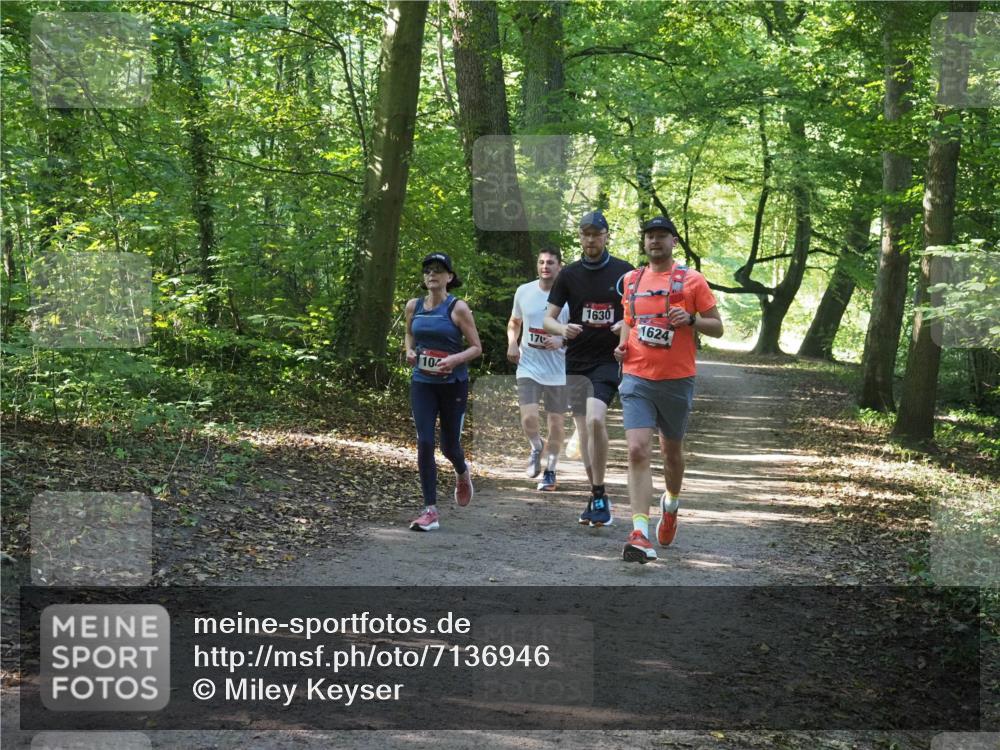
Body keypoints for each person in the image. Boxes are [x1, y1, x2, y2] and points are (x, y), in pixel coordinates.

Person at [614, 216, 723, 563]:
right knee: (636, 450)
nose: (655, 242)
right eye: (650, 237)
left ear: (673, 241)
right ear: (643, 243)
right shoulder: (632, 281)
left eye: (662, 236)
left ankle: (671, 503)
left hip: (677, 379)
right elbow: (630, 323)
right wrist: (621, 348)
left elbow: (717, 327)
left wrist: (692, 320)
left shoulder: (692, 281)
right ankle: (640, 532)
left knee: (671, 453)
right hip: (637, 377)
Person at [544, 210, 634, 527]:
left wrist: (626, 323)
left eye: (597, 234)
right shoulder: (568, 275)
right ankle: (597, 494)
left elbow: (639, 312)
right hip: (577, 361)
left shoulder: (625, 273)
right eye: (586, 234)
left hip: (609, 359)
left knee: (596, 419)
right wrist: (560, 329)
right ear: (580, 237)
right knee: (584, 432)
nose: (591, 239)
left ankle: (598, 494)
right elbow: (548, 318)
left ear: (607, 235)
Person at [404, 253, 482, 531]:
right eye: (427, 270)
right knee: (424, 441)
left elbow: (476, 347)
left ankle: (462, 472)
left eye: (438, 270)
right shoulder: (413, 306)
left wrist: (454, 359)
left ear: (449, 277)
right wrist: (410, 351)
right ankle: (430, 510)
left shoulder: (458, 308)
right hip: (422, 382)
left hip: (452, 385)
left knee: (449, 446)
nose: (431, 275)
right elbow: (410, 335)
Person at [507, 248, 569, 491]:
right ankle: (536, 446)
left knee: (556, 422)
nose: (545, 266)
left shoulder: (569, 295)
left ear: (559, 266)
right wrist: (513, 342)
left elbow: (581, 330)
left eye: (551, 262)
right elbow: (514, 322)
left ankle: (551, 471)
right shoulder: (524, 291)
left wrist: (562, 340)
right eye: (541, 262)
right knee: (529, 417)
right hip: (529, 366)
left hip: (558, 368)